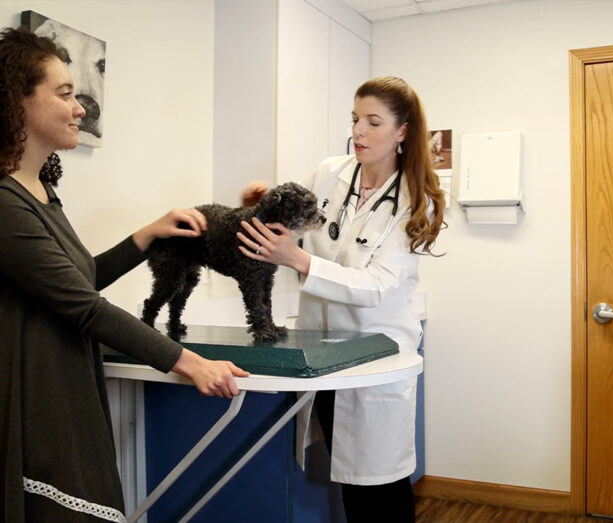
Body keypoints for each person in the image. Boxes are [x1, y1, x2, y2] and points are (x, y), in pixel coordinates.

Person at [0, 27, 249, 522]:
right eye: (65, 94)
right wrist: (187, 361)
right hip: (34, 401)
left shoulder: (41, 195)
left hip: (67, 389)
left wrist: (149, 235)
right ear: (16, 102)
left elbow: (81, 277)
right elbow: (83, 306)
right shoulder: (5, 204)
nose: (80, 108)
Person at [238, 76, 445, 522]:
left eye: (373, 122)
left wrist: (300, 261)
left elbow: (377, 286)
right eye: (355, 119)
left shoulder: (415, 200)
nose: (359, 132)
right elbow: (300, 228)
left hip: (376, 359)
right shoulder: (330, 172)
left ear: (402, 132)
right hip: (325, 353)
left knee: (381, 489)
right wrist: (266, 209)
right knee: (351, 488)